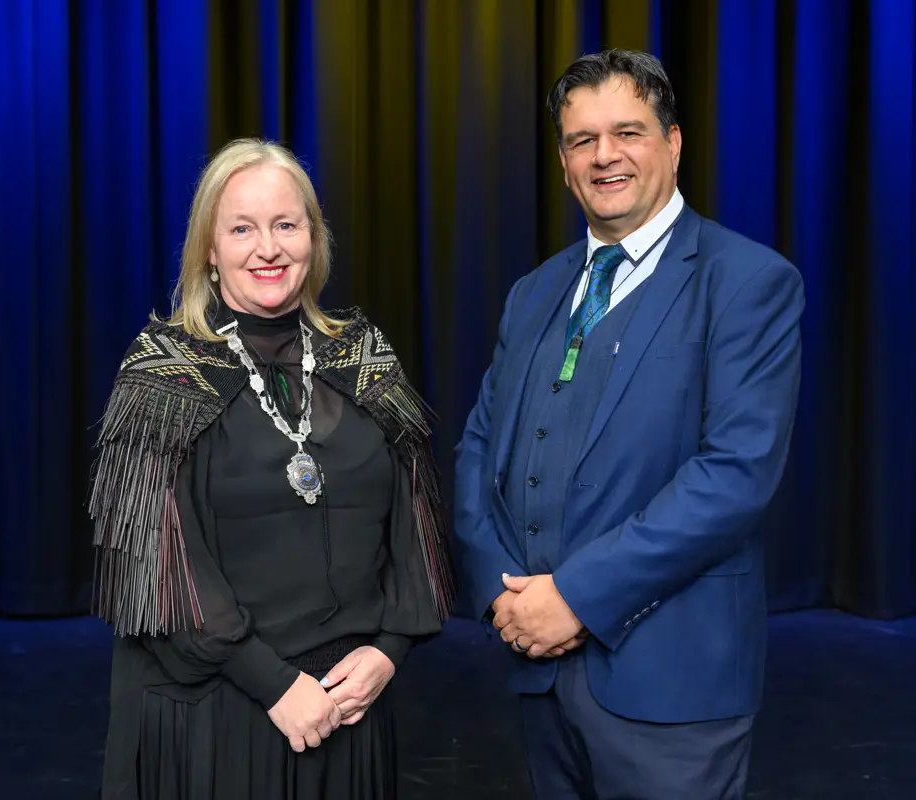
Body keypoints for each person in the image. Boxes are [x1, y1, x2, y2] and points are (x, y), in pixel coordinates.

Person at [454, 50, 804, 799]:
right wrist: (501, 596)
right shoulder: (533, 292)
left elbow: (734, 475)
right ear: (564, 162)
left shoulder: (748, 283)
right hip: (537, 666)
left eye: (627, 132)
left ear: (673, 143)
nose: (604, 155)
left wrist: (575, 598)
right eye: (582, 140)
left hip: (673, 680)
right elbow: (479, 447)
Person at [90, 138, 453, 799]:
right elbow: (154, 565)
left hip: (349, 702)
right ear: (209, 247)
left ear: (314, 238)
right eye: (242, 229)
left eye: (287, 225)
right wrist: (275, 685)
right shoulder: (162, 370)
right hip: (220, 712)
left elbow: (415, 527)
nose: (269, 248)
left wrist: (388, 652)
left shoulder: (363, 356)